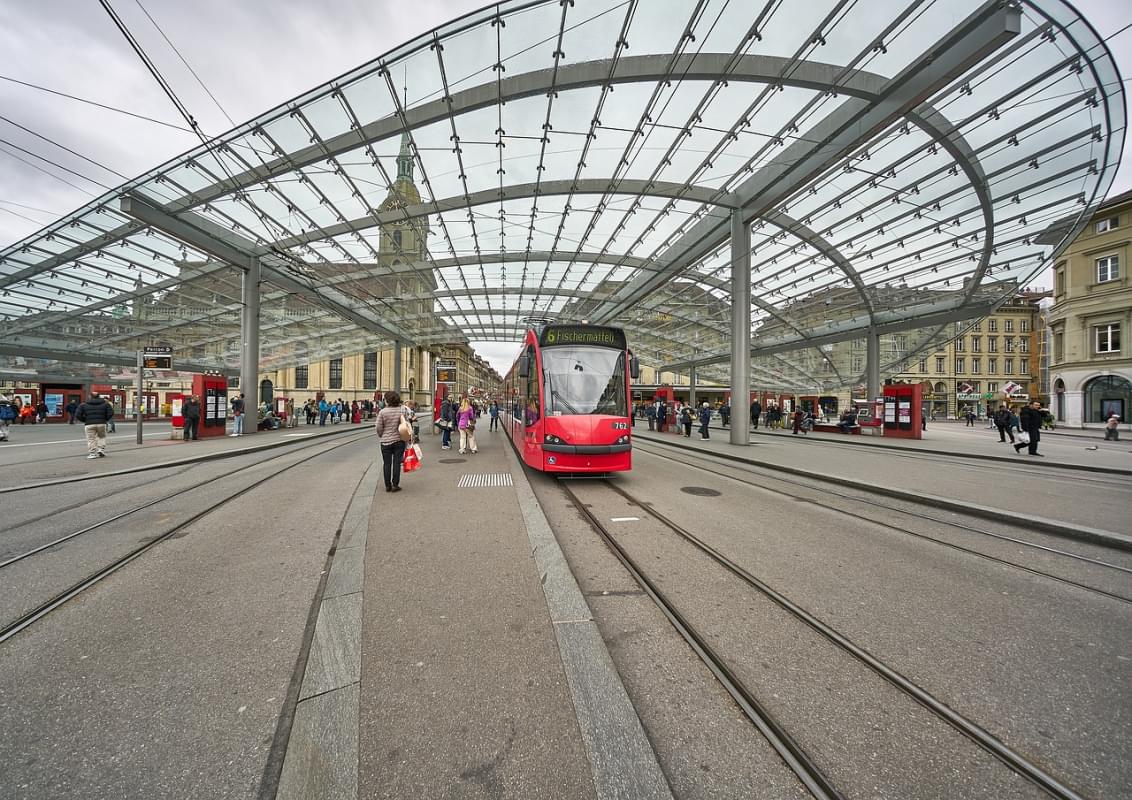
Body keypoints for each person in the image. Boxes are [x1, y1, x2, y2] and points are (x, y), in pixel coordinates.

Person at [375, 390, 409, 493]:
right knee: (397, 463)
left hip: (385, 442)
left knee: (387, 464)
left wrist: (382, 435)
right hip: (399, 440)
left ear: (387, 400)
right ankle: (395, 484)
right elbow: (406, 425)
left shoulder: (382, 412)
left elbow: (378, 427)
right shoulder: (402, 411)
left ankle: (387, 485)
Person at [75, 391, 114, 458]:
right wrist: (105, 419)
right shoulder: (106, 404)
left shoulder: (83, 404)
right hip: (101, 423)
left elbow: (78, 415)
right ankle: (101, 450)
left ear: (90, 396)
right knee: (101, 437)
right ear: (99, 396)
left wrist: (85, 420)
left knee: (91, 439)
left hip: (89, 424)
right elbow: (111, 412)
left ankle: (92, 453)